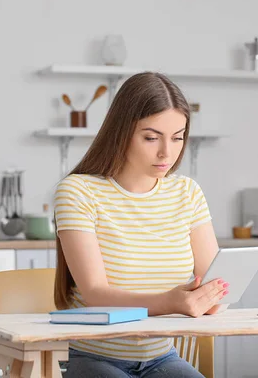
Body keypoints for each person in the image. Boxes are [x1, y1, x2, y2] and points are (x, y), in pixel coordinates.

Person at [53, 72, 229, 378]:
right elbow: (95, 293)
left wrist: (211, 299)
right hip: (95, 357)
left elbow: (215, 280)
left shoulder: (187, 193)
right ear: (121, 132)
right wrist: (169, 302)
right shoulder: (78, 191)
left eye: (177, 137)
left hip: (161, 358)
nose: (166, 153)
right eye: (151, 137)